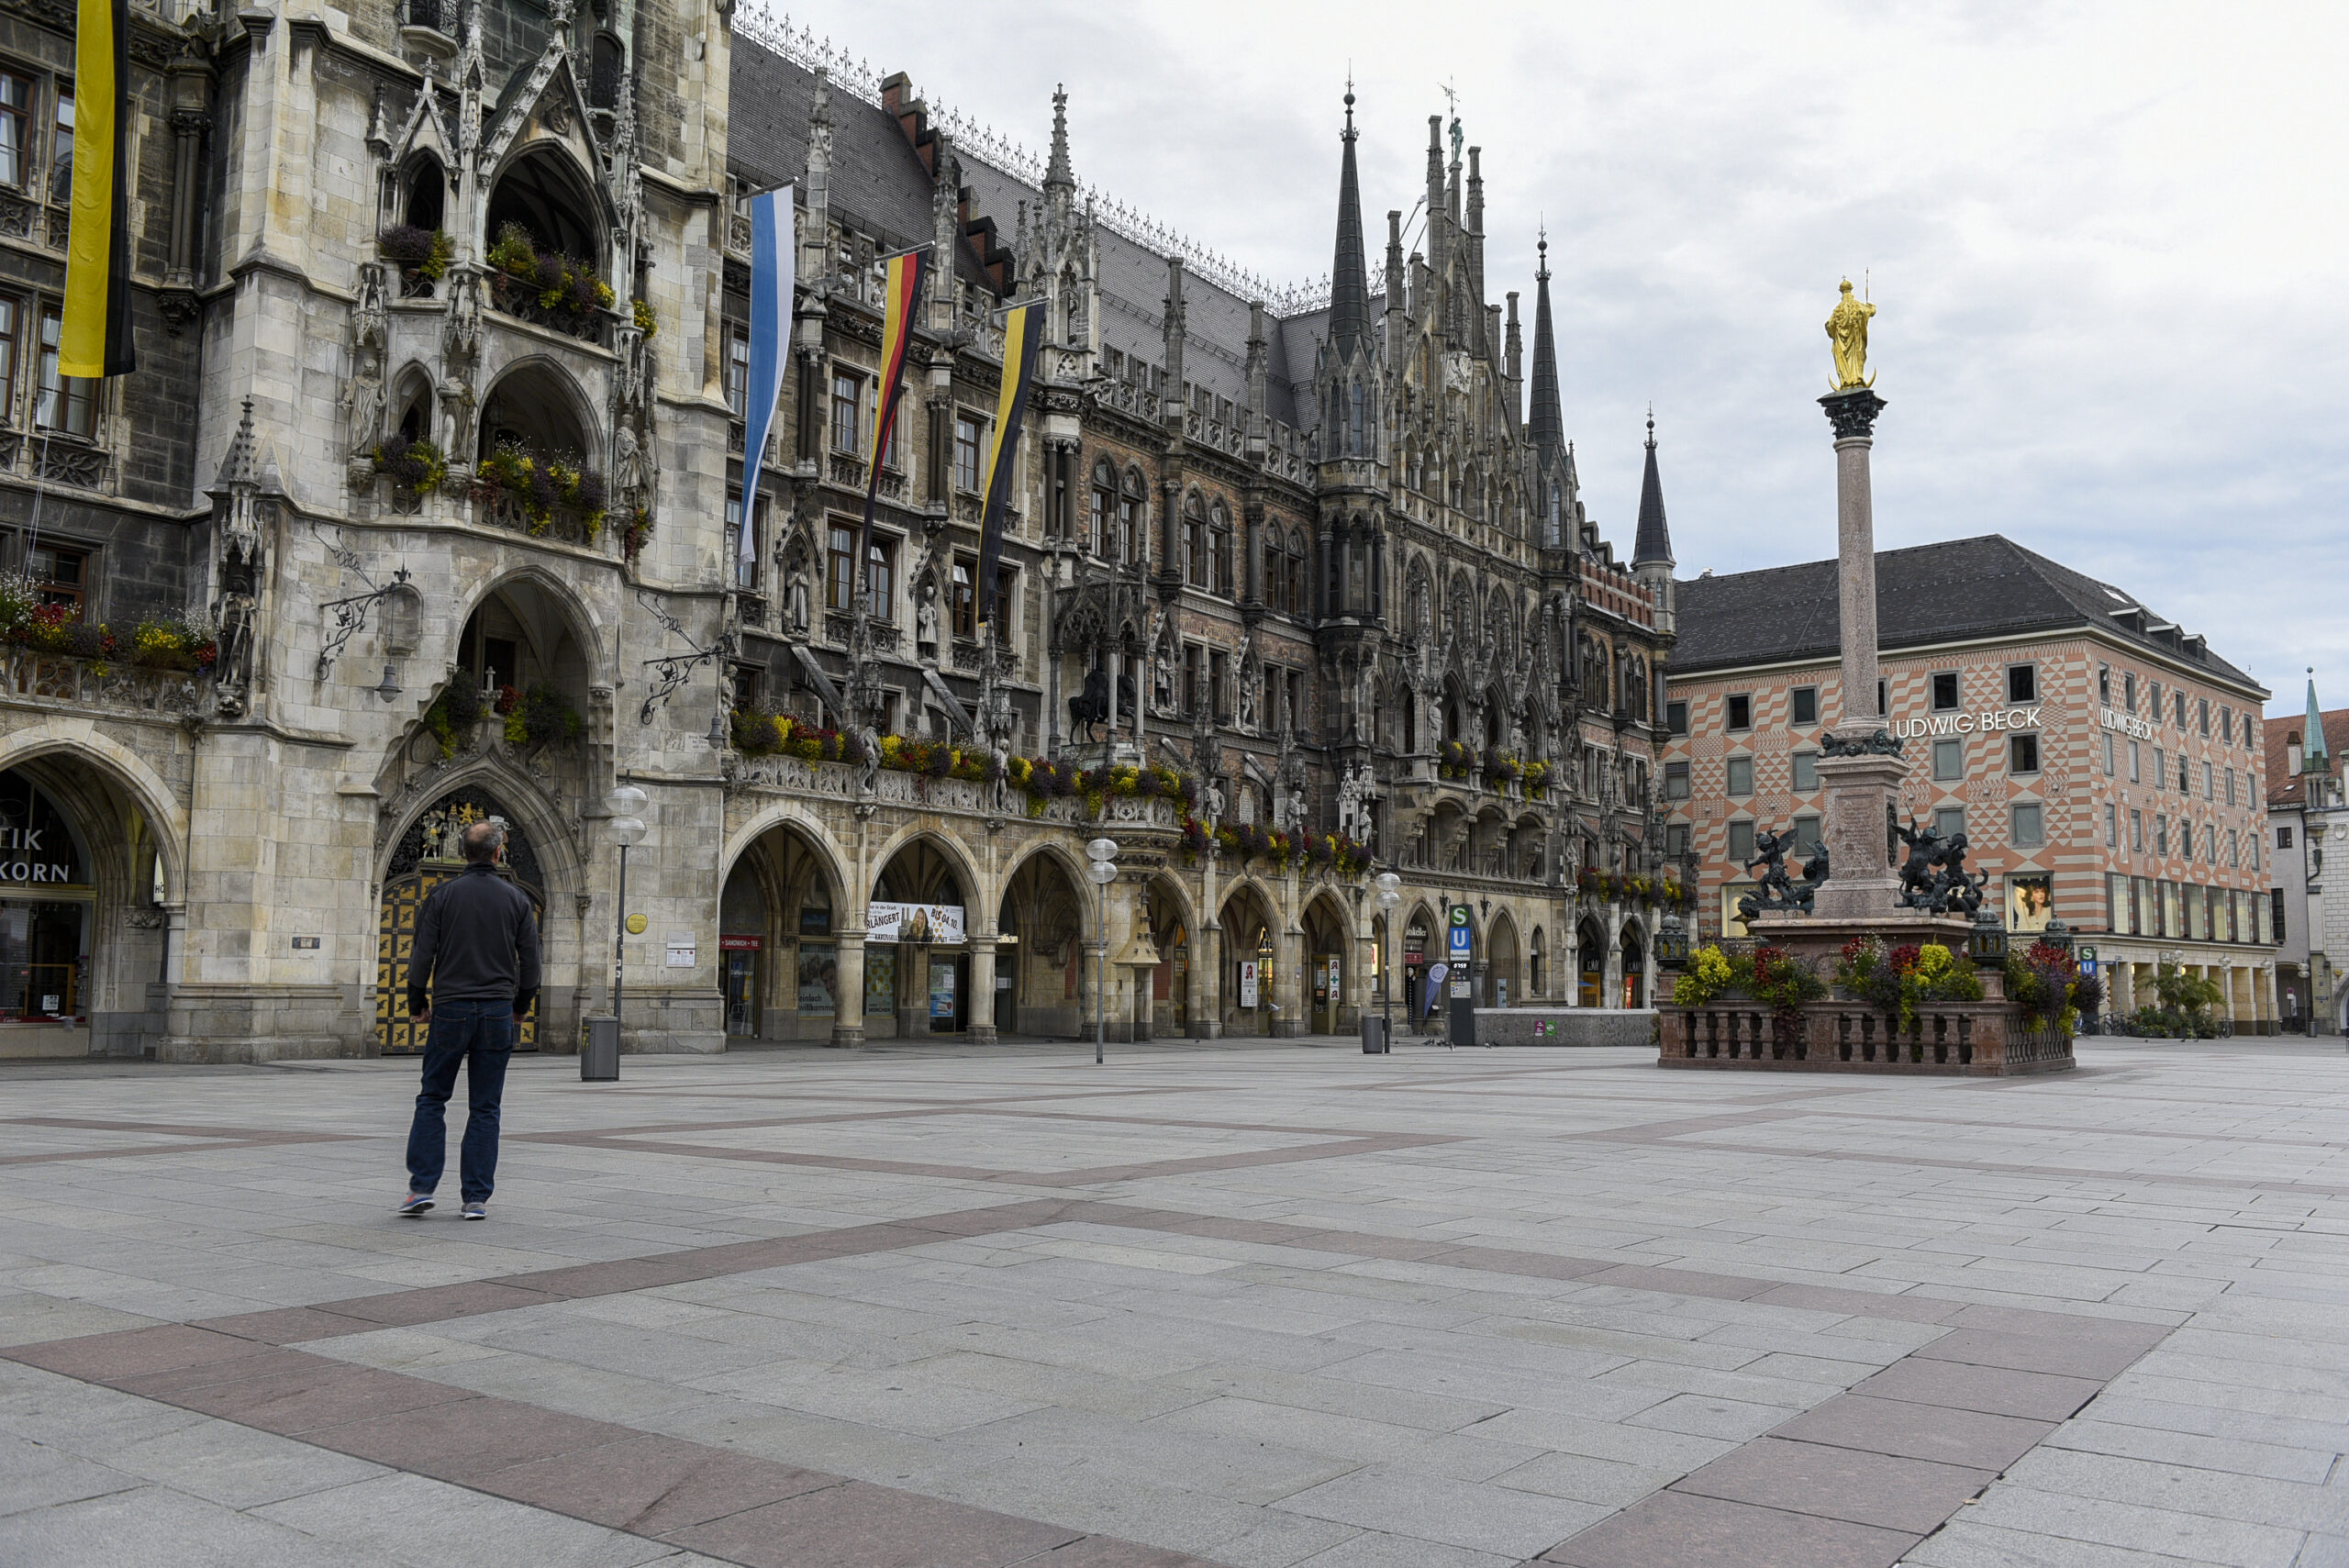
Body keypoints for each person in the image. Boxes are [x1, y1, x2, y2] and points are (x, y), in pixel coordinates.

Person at [397, 819, 540, 1219]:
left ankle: (421, 1187)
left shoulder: (442, 897)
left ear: (463, 853)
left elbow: (420, 957)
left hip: (451, 1009)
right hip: (497, 1011)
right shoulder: (517, 901)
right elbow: (531, 966)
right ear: (499, 853)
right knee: (485, 1106)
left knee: (432, 1098)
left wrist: (415, 1004)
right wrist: (520, 1006)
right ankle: (475, 1197)